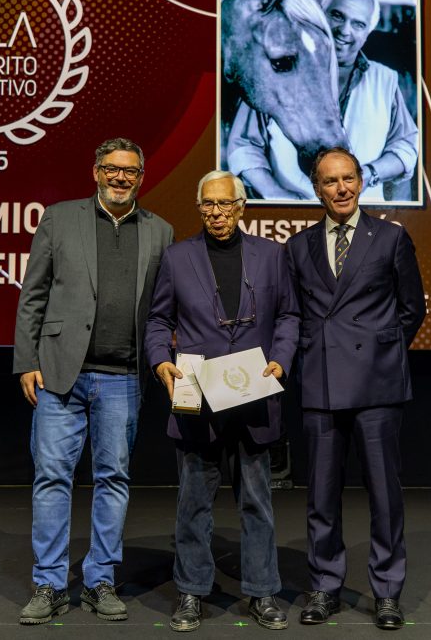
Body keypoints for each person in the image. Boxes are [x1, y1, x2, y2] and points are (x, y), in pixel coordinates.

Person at [13, 137, 174, 625]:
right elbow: (33, 294)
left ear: (140, 177)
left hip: (123, 377)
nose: (121, 178)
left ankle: (101, 578)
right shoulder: (60, 218)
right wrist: (26, 360)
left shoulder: (161, 232)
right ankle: (49, 583)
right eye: (112, 169)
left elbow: (165, 309)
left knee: (114, 480)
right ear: (96, 172)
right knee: (52, 478)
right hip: (62, 372)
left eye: (130, 171)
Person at [145, 171, 299, 632]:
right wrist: (160, 363)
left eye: (224, 204)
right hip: (198, 395)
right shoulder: (177, 258)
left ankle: (262, 592)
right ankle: (192, 592)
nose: (216, 213)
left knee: (257, 502)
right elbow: (157, 321)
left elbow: (290, 315)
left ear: (241, 206)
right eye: (207, 205)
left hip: (254, 395)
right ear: (199, 208)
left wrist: (281, 360)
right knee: (193, 503)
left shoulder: (272, 256)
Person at [285, 147, 425, 630]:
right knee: (321, 495)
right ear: (315, 188)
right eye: (330, 181)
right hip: (321, 384)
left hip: (378, 385)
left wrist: (383, 351)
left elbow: (412, 310)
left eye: (348, 179)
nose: (340, 189)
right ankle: (325, 586)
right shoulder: (298, 247)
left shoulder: (390, 238)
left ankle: (387, 591)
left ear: (361, 182)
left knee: (384, 493)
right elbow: (295, 315)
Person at [226, 0, 419, 203]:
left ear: (368, 33)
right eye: (337, 15)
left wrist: (368, 174)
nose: (344, 31)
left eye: (358, 24)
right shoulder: (281, 68)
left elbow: (406, 146)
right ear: (319, 15)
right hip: (292, 221)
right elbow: (244, 146)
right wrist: (277, 196)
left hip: (363, 221)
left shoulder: (386, 79)